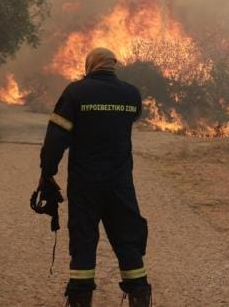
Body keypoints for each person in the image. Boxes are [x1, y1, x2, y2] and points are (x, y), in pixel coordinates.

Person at [36, 47, 152, 307]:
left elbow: (56, 138)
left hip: (84, 183)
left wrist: (47, 173)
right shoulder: (131, 94)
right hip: (120, 183)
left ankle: (80, 299)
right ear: (113, 65)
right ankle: (140, 295)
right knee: (127, 238)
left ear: (89, 65)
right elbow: (131, 119)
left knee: (84, 238)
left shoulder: (76, 92)